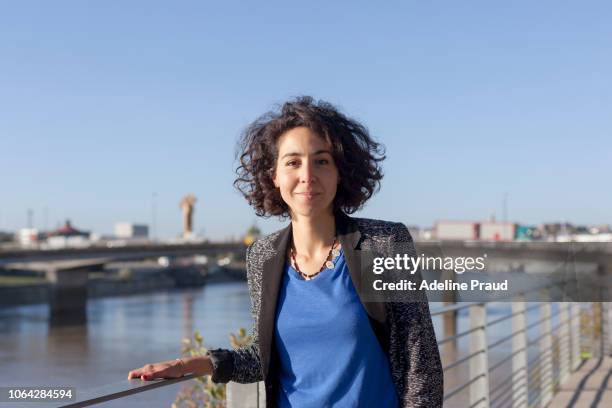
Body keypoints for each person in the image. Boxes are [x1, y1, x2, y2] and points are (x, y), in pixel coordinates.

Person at [128, 96, 443, 407]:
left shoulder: (384, 242)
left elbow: (421, 363)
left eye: (322, 161)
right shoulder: (262, 256)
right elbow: (261, 359)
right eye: (293, 162)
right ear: (273, 175)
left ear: (340, 172)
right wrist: (191, 366)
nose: (307, 175)